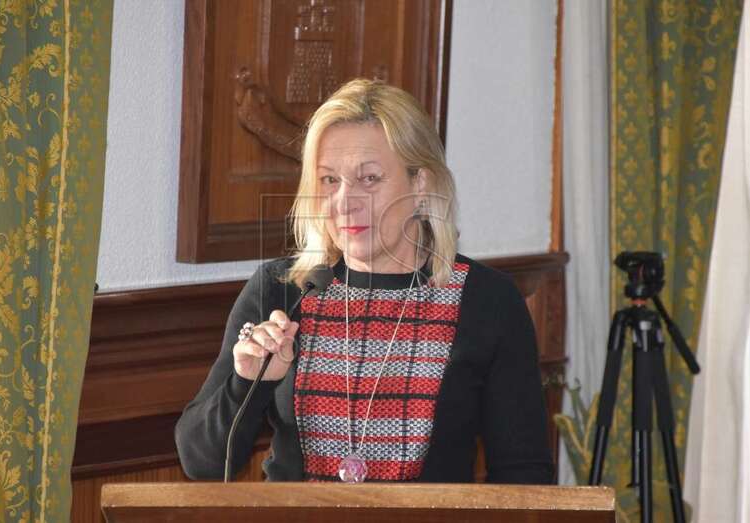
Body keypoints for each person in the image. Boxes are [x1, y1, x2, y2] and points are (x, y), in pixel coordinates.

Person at [175, 78, 554, 483]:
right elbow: (200, 463)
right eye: (329, 180)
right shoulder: (281, 289)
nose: (344, 201)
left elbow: (524, 476)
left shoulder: (488, 301)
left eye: (369, 179)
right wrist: (247, 384)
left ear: (420, 184)